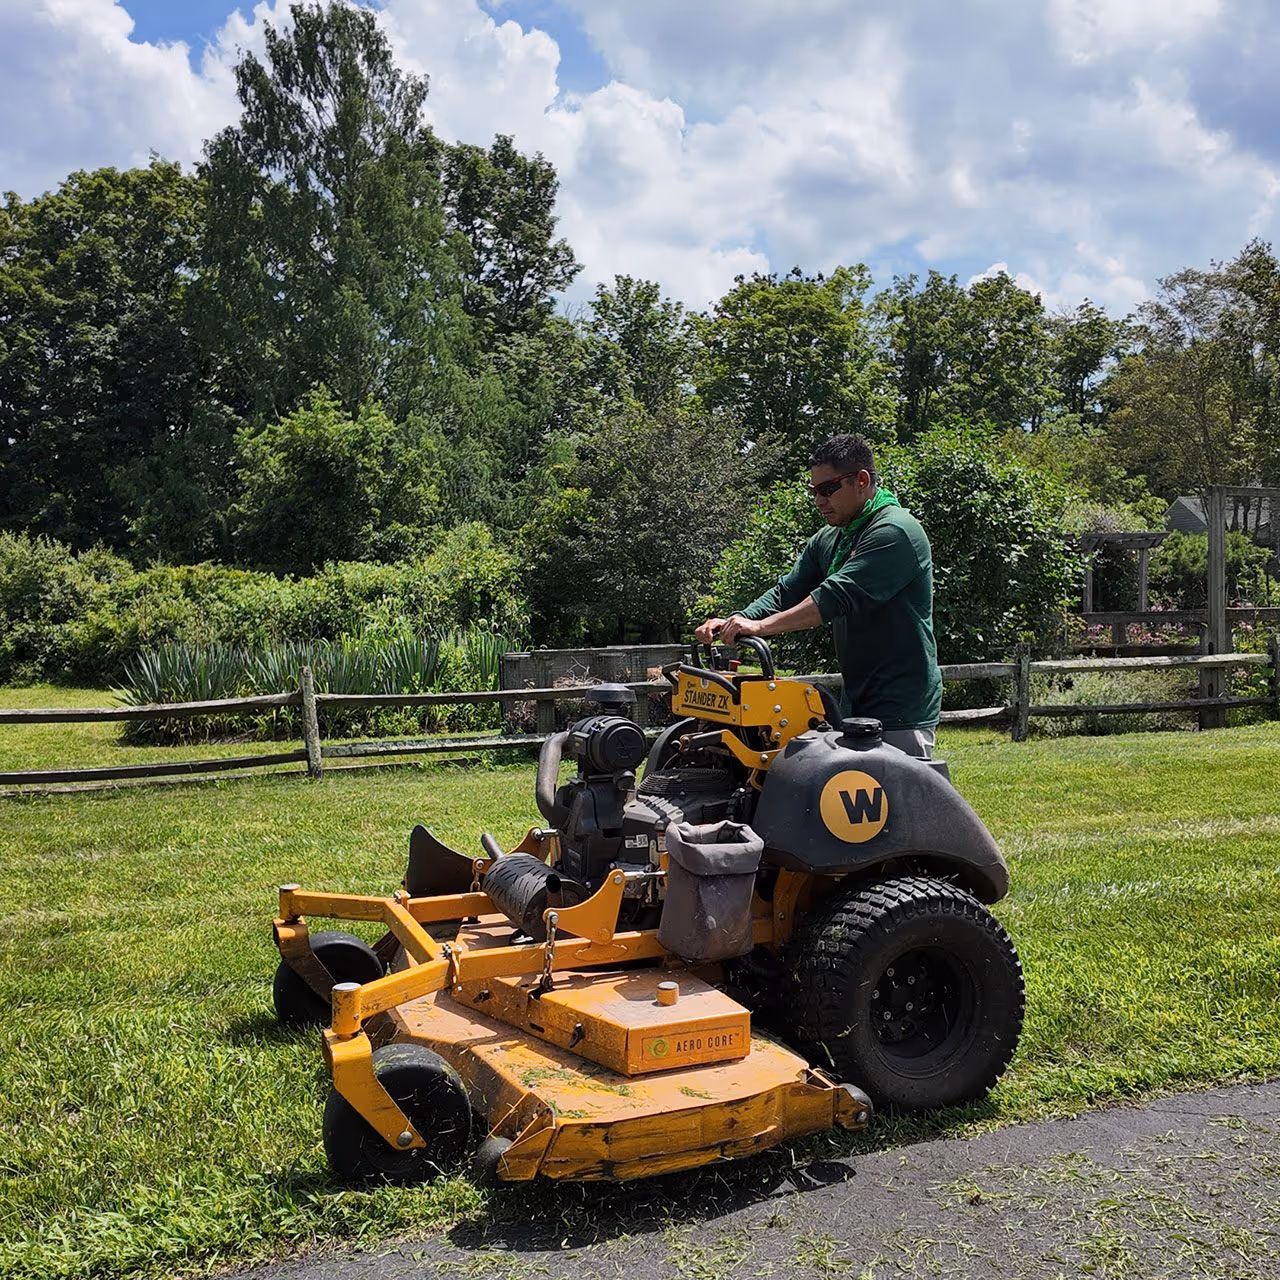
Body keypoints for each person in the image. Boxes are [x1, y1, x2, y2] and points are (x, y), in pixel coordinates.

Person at [695, 433, 942, 758]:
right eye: (814, 491)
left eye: (828, 489)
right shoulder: (831, 539)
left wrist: (760, 628)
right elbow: (786, 591)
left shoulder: (895, 532)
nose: (819, 501)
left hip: (901, 706)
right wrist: (736, 621)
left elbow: (834, 597)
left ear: (862, 480)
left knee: (902, 804)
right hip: (857, 699)